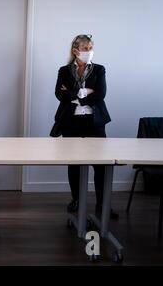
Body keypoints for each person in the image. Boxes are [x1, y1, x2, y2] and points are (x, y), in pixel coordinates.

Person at [52, 34, 118, 219]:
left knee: (100, 165)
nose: (89, 52)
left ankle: (102, 204)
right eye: (85, 49)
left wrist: (73, 94)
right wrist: (85, 90)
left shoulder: (99, 69)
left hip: (94, 122)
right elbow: (59, 94)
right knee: (74, 164)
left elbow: (101, 94)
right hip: (71, 122)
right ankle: (77, 200)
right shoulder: (64, 71)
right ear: (75, 50)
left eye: (91, 48)